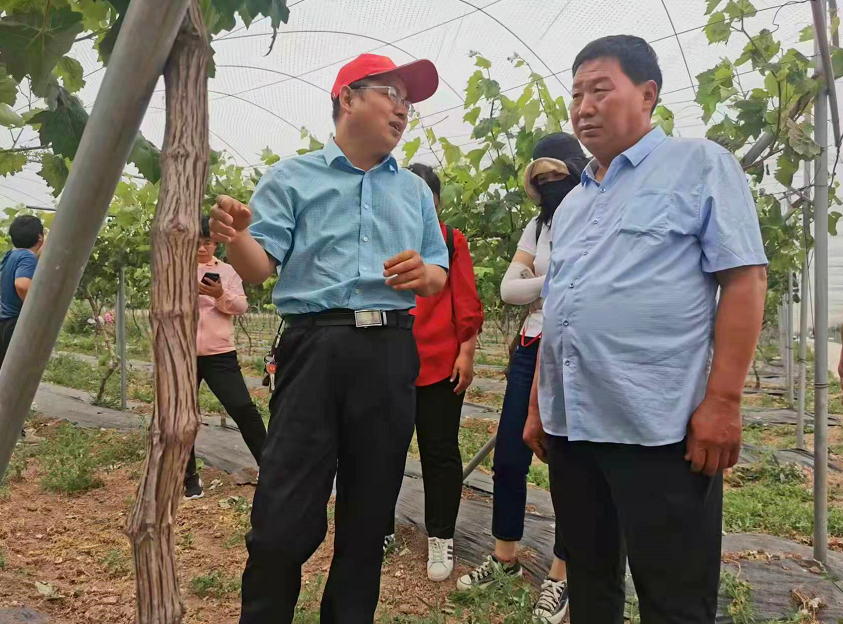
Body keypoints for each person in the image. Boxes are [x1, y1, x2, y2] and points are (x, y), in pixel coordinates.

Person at [523, 35, 768, 623]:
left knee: (674, 598)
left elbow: (745, 280)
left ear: (648, 94)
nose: (583, 106)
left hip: (659, 430)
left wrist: (724, 401)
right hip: (574, 430)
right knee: (591, 586)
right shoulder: (576, 202)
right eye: (576, 92)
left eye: (599, 89)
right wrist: (538, 404)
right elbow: (560, 307)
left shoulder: (699, 164)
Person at [209, 53, 448, 624]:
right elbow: (260, 266)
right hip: (314, 349)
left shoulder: (414, 192)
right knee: (282, 518)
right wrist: (238, 237)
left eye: (409, 101)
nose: (403, 109)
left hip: (390, 351)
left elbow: (437, 273)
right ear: (348, 98)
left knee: (368, 519)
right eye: (391, 93)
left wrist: (425, 275)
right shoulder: (292, 177)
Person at [456, 133, 587, 623]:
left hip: (576, 348)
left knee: (565, 465)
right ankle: (504, 556)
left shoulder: (596, 212)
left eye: (557, 174)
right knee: (511, 455)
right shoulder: (538, 226)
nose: (550, 183)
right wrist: (557, 280)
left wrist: (539, 283)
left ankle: (562, 576)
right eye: (542, 178)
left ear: (575, 170)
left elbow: (531, 283)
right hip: (533, 348)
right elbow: (510, 291)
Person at [384, 162, 484, 582]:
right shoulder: (384, 235)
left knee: (439, 453)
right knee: (383, 450)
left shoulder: (448, 239)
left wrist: (467, 351)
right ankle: (380, 527)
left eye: (426, 194)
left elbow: (464, 297)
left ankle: (440, 537)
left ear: (437, 201)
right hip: (388, 360)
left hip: (440, 362)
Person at [183, 216, 268, 500]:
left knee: (243, 408)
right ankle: (188, 479)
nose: (201, 248)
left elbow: (241, 305)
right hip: (181, 355)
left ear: (215, 242)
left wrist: (219, 294)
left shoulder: (228, 271)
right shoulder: (176, 270)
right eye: (196, 242)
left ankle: (270, 468)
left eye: (206, 242)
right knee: (182, 418)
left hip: (219, 354)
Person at [0, 215, 45, 370]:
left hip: (4, 323)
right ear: (39, 236)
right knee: (14, 374)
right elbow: (22, 285)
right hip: (15, 324)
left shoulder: (11, 255)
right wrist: (36, 311)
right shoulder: (27, 258)